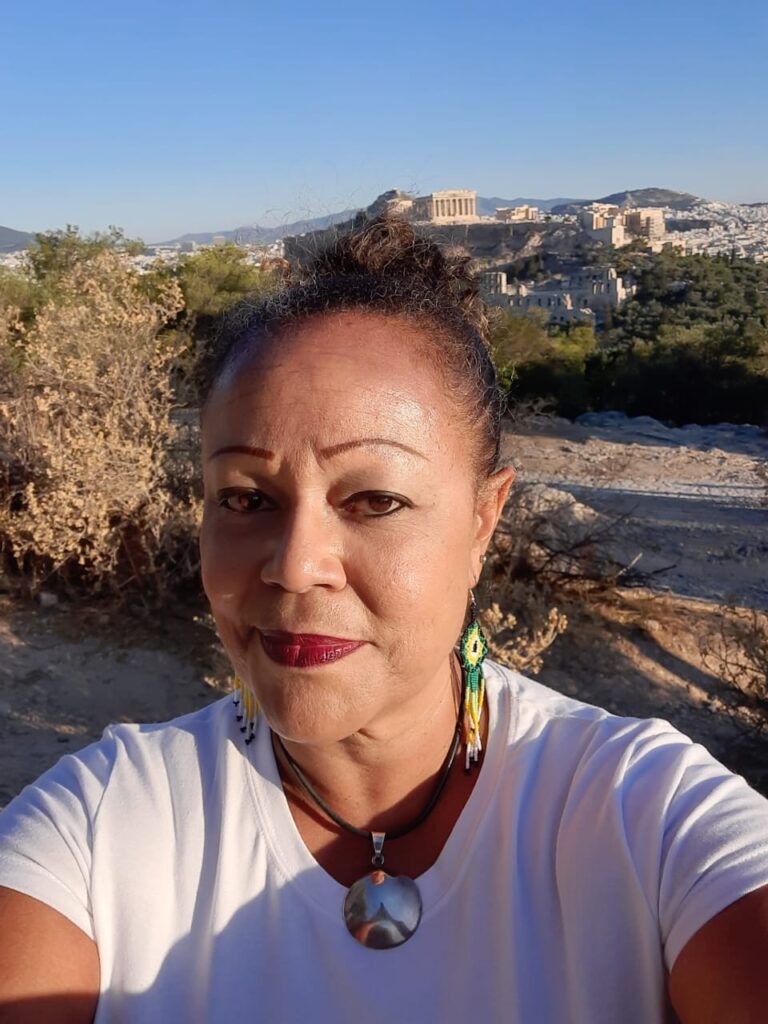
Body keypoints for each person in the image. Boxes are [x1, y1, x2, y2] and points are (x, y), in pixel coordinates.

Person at [0, 214, 767, 1024]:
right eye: (245, 499)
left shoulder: (645, 815)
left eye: (375, 500)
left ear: (482, 521)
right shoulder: (98, 830)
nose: (295, 565)